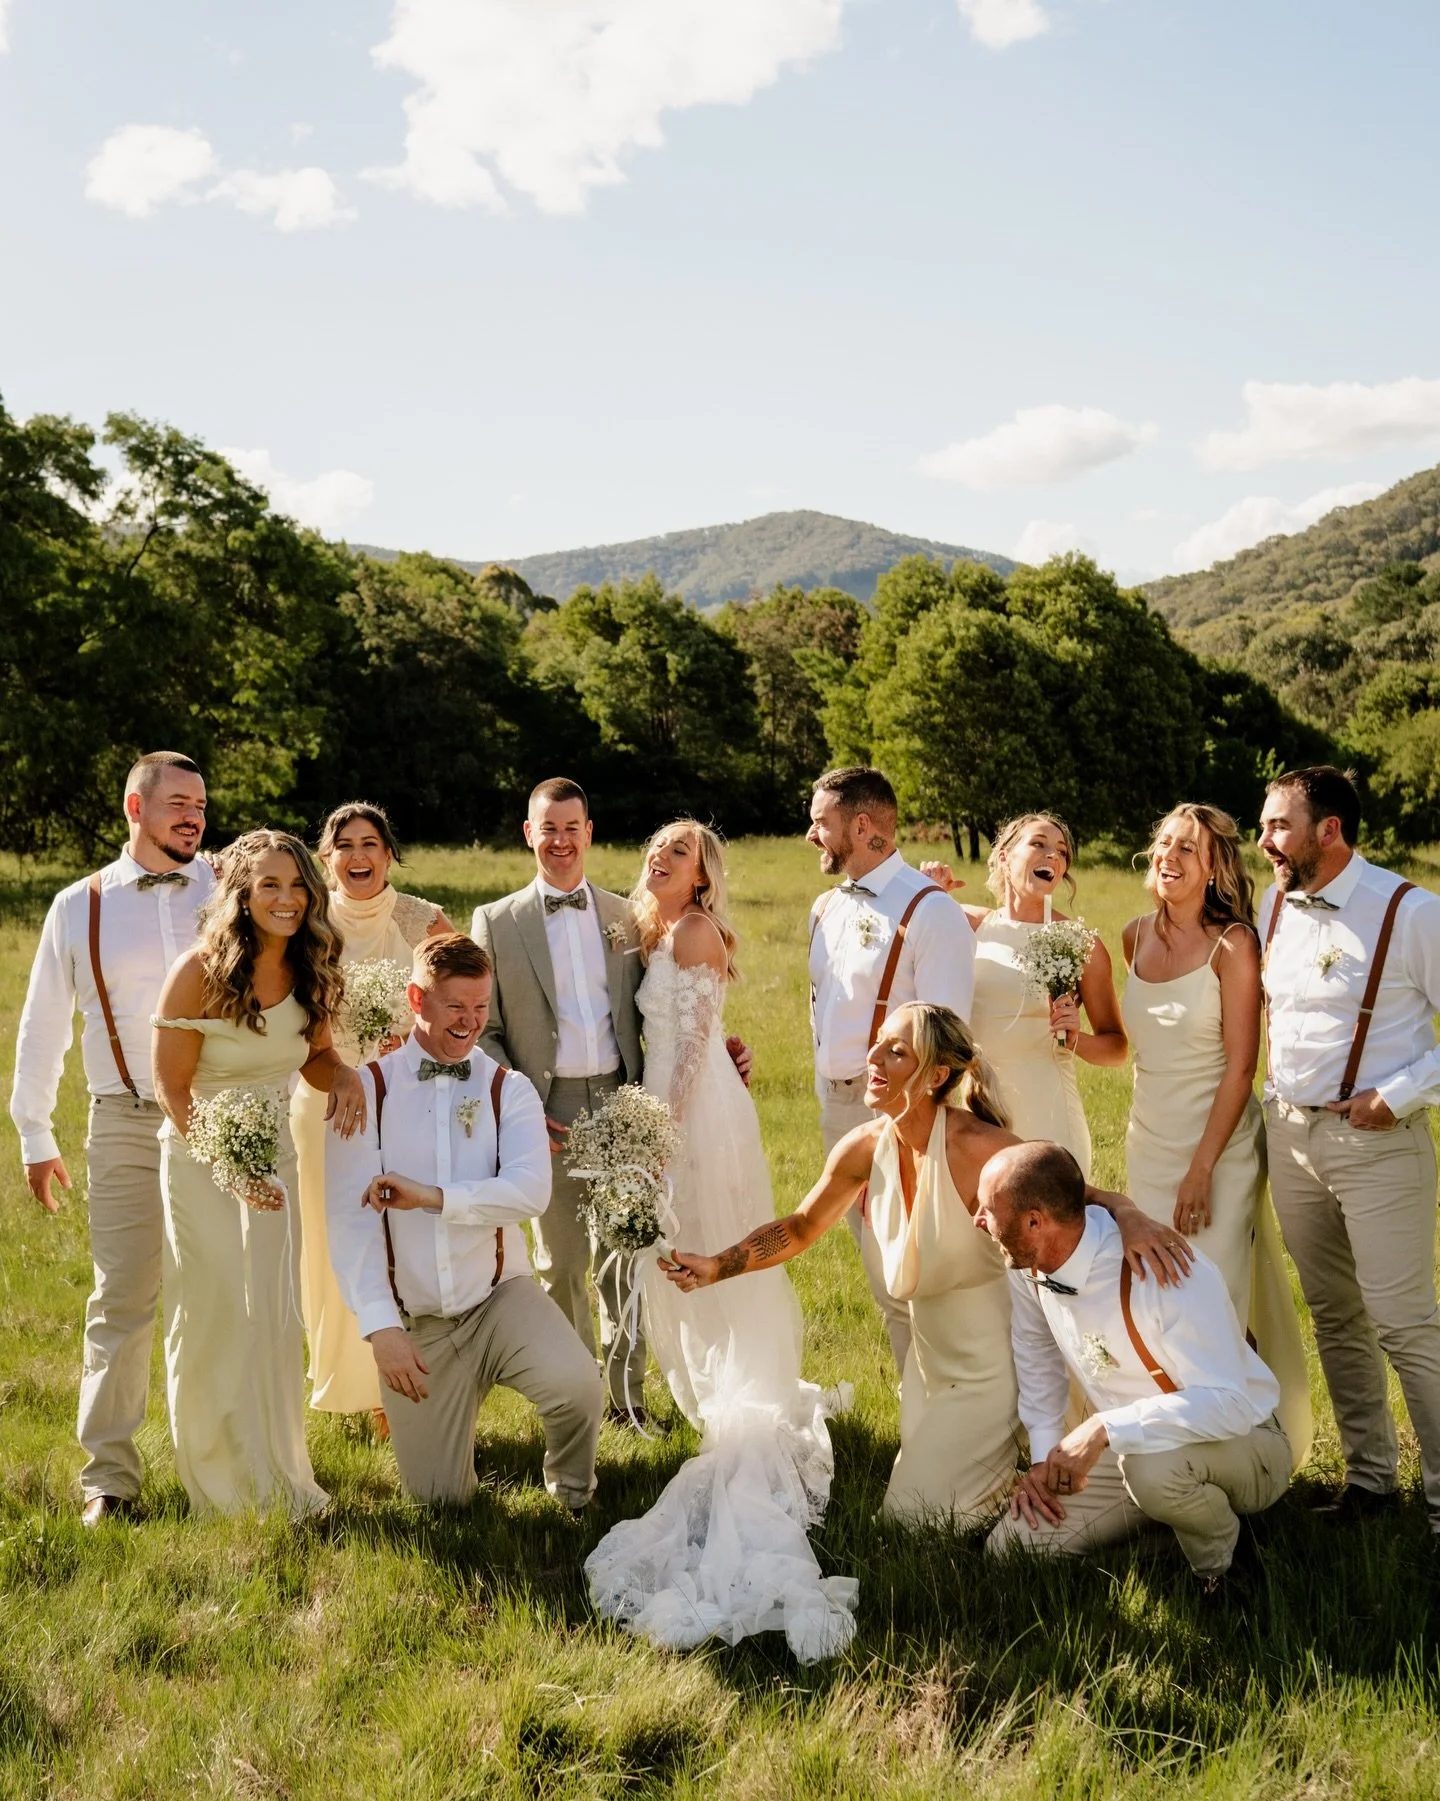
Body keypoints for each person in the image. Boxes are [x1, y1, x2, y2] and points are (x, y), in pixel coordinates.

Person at [664, 1003, 1191, 1526]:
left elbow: (1081, 1197)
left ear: (936, 1075)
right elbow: (801, 1227)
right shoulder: (866, 1148)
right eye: (877, 1044)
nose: (873, 1057)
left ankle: (1068, 1485)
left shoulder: (978, 1150)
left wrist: (1132, 1217)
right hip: (929, 1370)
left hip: (995, 1371)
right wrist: (715, 1267)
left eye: (895, 1051)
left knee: (910, 1522)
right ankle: (1009, 1486)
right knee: (916, 1514)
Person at [585, 823, 858, 1663]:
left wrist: (657, 1138)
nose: (663, 858)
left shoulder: (695, 930)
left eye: (681, 853)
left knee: (706, 1253)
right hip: (667, 1106)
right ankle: (707, 1391)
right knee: (679, 1262)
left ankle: (738, 1392)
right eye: (657, 848)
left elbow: (697, 1045)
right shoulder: (645, 927)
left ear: (705, 876)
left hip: (696, 1115)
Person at [471, 776, 748, 1424]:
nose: (561, 840)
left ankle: (627, 1401)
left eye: (573, 827)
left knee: (624, 1259)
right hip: (544, 1107)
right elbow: (482, 1028)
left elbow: (680, 1007)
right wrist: (516, 1104)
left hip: (624, 1100)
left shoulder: (630, 916)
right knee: (560, 1263)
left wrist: (723, 1061)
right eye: (549, 828)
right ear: (529, 834)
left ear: (589, 833)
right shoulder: (496, 921)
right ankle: (574, 1399)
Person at [324, 933, 602, 1510]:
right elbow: (349, 1229)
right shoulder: (366, 1091)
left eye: (481, 1007)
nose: (470, 1022)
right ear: (416, 1000)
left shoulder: (511, 1090)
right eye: (455, 1007)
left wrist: (430, 1196)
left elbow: (529, 1192)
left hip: (499, 1299)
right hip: (416, 1324)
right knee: (440, 1503)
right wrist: (383, 1330)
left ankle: (575, 1494)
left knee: (578, 1387)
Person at [10, 751, 214, 1526]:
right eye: (177, 803)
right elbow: (40, 1025)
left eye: (199, 804)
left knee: (227, 1297)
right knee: (122, 1297)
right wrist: (34, 1130)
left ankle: (222, 1467)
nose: (193, 815)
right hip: (125, 1119)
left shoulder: (231, 886)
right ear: (135, 808)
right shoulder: (78, 904)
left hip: (220, 1117)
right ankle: (109, 1480)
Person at [151, 829, 363, 1516]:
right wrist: (225, 1163)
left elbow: (314, 1057)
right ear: (241, 892)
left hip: (276, 1152)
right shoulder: (199, 971)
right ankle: (216, 1482)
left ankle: (277, 1471)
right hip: (200, 1155)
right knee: (216, 1312)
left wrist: (349, 1077)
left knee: (272, 1315)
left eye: (298, 883)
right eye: (270, 883)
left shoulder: (311, 965)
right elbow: (172, 1088)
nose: (288, 897)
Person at [978, 1142, 1292, 1591]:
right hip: (1132, 1448)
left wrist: (1105, 1428)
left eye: (988, 1209)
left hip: (1245, 1441)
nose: (978, 1220)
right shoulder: (1028, 1266)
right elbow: (1037, 1358)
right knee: (1011, 1550)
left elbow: (1232, 1403)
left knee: (1155, 1473)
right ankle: (1175, 1532)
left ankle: (1223, 1568)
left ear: (1034, 1221)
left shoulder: (1164, 1271)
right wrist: (1048, 1461)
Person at [1258, 765, 1440, 1534]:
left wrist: (1394, 1094)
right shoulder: (1275, 903)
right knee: (1334, 1311)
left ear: (1328, 830)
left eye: (1278, 825)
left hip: (1379, 1144)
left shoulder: (1411, 909)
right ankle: (1371, 1479)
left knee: (1404, 1319)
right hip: (1290, 1137)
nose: (1265, 839)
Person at [1121, 803, 1311, 1465]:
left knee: (1216, 1300)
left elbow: (1240, 1067)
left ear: (1213, 868)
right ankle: (1175, 1450)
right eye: (1164, 844)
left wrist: (1202, 1167)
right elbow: (1122, 1046)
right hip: (1147, 1145)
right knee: (1156, 1308)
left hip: (1219, 1151)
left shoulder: (1234, 945)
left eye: (1188, 850)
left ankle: (1245, 1457)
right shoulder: (1132, 937)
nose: (1170, 858)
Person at [808, 766, 977, 1376]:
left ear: (860, 825)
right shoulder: (824, 908)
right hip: (839, 1110)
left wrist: (917, 1128)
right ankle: (921, 1415)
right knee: (883, 1277)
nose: (810, 835)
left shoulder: (932, 914)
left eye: (820, 823)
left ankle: (947, 1422)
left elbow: (949, 1039)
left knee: (916, 1277)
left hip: (907, 1119)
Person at [293, 801, 453, 1424]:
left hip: (403, 1099)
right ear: (326, 857)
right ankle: (349, 1381)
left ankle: (404, 1386)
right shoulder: (303, 923)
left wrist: (413, 1041)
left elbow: (463, 1005)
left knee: (399, 1236)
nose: (358, 856)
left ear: (389, 854)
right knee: (334, 1236)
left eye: (371, 843)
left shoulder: (422, 919)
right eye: (344, 845)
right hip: (322, 1099)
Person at [925, 812, 1127, 1179]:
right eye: (1039, 844)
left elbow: (1117, 1049)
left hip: (1049, 1114)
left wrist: (1075, 1038)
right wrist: (929, 895)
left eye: (1062, 852)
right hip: (977, 1111)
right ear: (1004, 857)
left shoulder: (1082, 945)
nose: (1054, 856)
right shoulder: (968, 923)